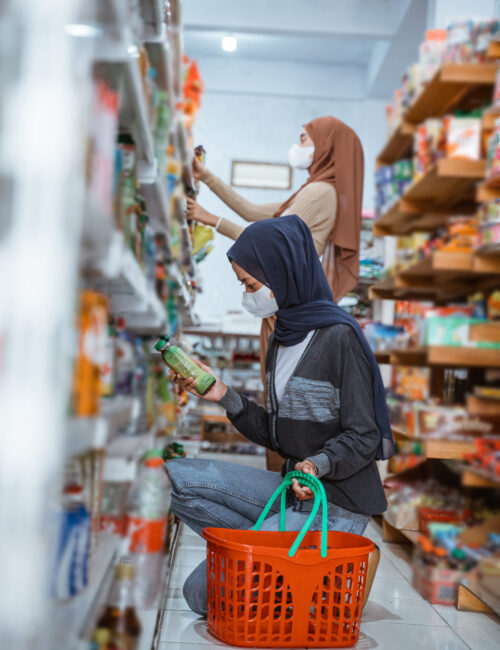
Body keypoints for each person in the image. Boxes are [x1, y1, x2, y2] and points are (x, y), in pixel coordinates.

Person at [166, 215, 394, 617]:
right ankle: (272, 556)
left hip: (334, 505)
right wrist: (220, 393)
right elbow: (279, 433)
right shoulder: (282, 336)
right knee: (169, 477)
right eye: (244, 286)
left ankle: (292, 569)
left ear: (282, 273)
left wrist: (317, 465)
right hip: (290, 492)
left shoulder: (338, 337)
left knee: (201, 594)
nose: (248, 294)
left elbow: (364, 435)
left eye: (251, 285)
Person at [188, 117, 364, 456]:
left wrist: (211, 219)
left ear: (326, 145)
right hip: (284, 302)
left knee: (282, 402)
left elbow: (271, 249)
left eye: (304, 138)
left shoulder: (318, 193)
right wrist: (206, 176)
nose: (297, 146)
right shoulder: (312, 190)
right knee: (279, 399)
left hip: (286, 302)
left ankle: (286, 480)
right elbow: (254, 212)